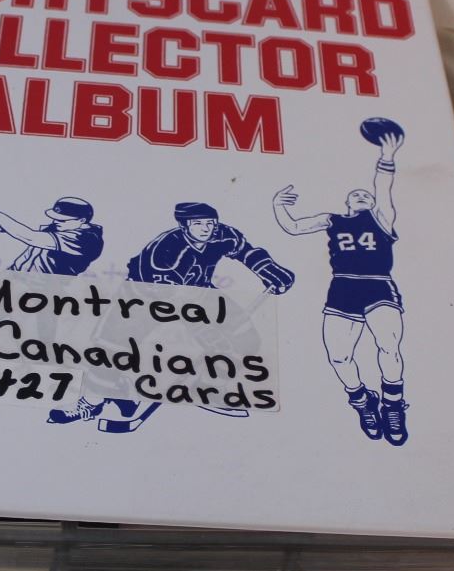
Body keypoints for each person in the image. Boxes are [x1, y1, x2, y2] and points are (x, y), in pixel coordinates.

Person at [52, 201, 293, 433]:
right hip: (141, 298)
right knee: (111, 349)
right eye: (198, 224)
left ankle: (207, 389)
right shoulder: (165, 251)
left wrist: (268, 269)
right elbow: (172, 301)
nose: (206, 229)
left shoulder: (222, 234)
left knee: (245, 338)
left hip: (199, 292)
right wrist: (204, 331)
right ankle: (92, 402)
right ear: (184, 226)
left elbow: (245, 250)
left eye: (210, 223)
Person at [272, 126, 409, 445]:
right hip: (343, 288)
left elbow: (383, 187)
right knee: (339, 357)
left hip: (378, 286)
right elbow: (294, 227)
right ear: (347, 202)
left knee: (388, 345)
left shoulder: (381, 218)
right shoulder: (332, 220)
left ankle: (393, 405)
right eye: (356, 194)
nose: (362, 196)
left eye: (366, 196)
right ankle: (363, 402)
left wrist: (387, 156)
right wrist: (279, 205)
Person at [0, 196, 104, 406]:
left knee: (40, 352)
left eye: (63, 219)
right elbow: (27, 236)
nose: (56, 221)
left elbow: (32, 238)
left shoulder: (88, 239)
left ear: (82, 221)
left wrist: (1, 218)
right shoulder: (59, 228)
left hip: (42, 295)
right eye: (55, 217)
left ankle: (73, 400)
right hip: (10, 285)